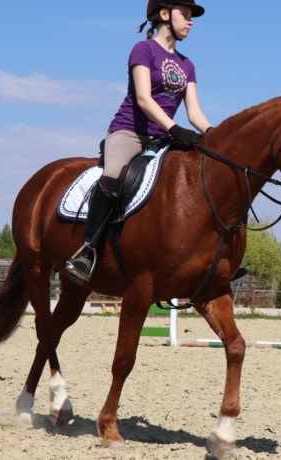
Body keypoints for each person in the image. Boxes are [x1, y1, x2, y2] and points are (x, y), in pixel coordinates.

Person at [67, 0, 210, 283]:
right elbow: (143, 99)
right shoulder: (143, 50)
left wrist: (216, 138)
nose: (191, 21)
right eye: (186, 14)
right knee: (112, 177)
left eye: (192, 17)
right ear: (165, 15)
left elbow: (194, 113)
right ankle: (87, 251)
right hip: (130, 132)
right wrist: (175, 128)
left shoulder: (188, 65)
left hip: (164, 137)